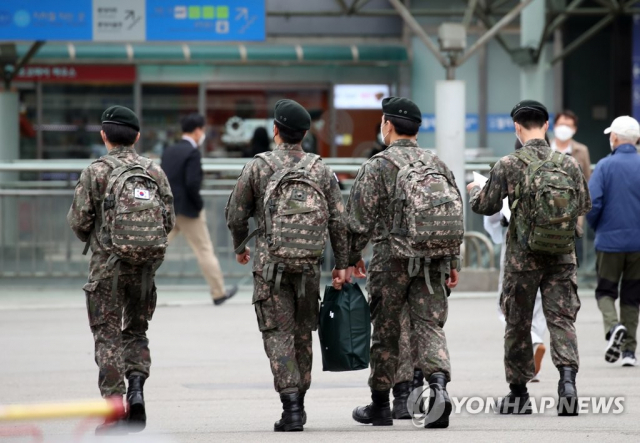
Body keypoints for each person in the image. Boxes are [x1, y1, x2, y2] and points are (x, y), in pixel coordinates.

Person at [226, 99, 349, 432]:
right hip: (309, 267)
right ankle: (301, 402)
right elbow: (339, 220)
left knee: (277, 334)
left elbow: (236, 213)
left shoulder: (259, 166)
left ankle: (290, 405)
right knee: (302, 334)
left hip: (270, 268)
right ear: (306, 134)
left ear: (276, 131)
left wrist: (240, 246)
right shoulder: (320, 169)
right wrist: (343, 263)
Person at [468, 100, 591, 416]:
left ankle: (519, 394)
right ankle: (567, 386)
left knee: (518, 322)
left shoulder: (509, 163)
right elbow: (583, 205)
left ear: (517, 127)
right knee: (561, 319)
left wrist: (473, 192)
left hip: (523, 257)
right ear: (547, 125)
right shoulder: (569, 164)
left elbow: (486, 206)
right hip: (562, 254)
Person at [347, 97, 461, 429]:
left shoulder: (378, 165)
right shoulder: (437, 163)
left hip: (391, 261)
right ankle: (438, 390)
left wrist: (350, 258)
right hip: (433, 261)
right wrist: (452, 259)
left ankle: (381, 405)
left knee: (386, 332)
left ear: (388, 125)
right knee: (429, 327)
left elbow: (358, 220)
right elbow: (451, 215)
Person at [67, 106, 175, 434]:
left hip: (106, 269)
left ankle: (114, 409)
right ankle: (137, 389)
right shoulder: (153, 171)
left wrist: (100, 237)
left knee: (107, 337)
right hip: (144, 268)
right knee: (136, 332)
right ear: (137, 136)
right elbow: (167, 220)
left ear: (104, 135)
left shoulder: (95, 172)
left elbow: (79, 221)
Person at [483, 138, 548, 383]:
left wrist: (479, 193)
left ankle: (531, 346)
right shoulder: (562, 166)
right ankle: (536, 362)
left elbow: (492, 215)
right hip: (553, 248)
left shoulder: (509, 168)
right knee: (540, 307)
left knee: (509, 307)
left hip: (517, 249)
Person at [162, 113, 237, 305]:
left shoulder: (169, 151)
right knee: (204, 250)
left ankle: (132, 285)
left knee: (155, 249)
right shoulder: (193, 153)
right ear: (197, 131)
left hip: (169, 208)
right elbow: (192, 183)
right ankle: (218, 293)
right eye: (202, 130)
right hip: (189, 210)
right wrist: (199, 205)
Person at [587, 115, 640, 367]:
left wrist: (598, 228)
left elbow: (592, 203)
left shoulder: (605, 167)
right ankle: (630, 351)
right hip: (638, 244)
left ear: (615, 138)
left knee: (605, 291)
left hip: (609, 243)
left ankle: (613, 326)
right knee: (632, 295)